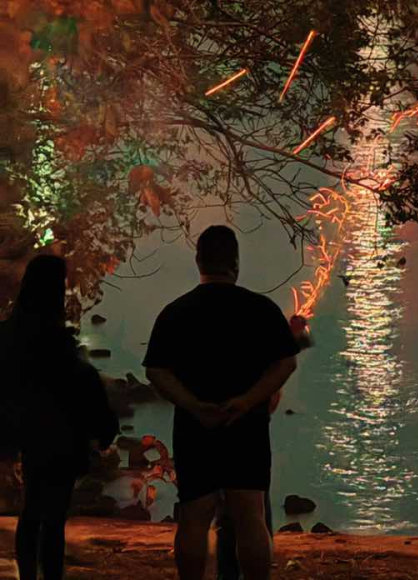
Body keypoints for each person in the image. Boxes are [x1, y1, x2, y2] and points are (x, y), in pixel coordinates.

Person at [144, 226, 297, 580]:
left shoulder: (176, 312)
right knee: (251, 518)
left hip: (195, 429)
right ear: (236, 263)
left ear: (199, 261)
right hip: (246, 428)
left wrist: (194, 406)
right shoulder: (261, 309)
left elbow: (156, 370)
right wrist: (246, 401)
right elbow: (285, 363)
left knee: (194, 519)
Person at [0, 255, 118, 580]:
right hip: (59, 436)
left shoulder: (11, 333)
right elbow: (76, 382)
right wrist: (104, 427)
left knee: (32, 510)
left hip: (21, 429)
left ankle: (28, 574)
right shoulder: (56, 340)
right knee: (52, 516)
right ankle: (49, 575)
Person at [213, 313, 312, 580]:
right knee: (252, 518)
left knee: (229, 518)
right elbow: (272, 396)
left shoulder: (224, 368)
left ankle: (229, 573)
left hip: (221, 441)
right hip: (248, 444)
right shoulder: (257, 378)